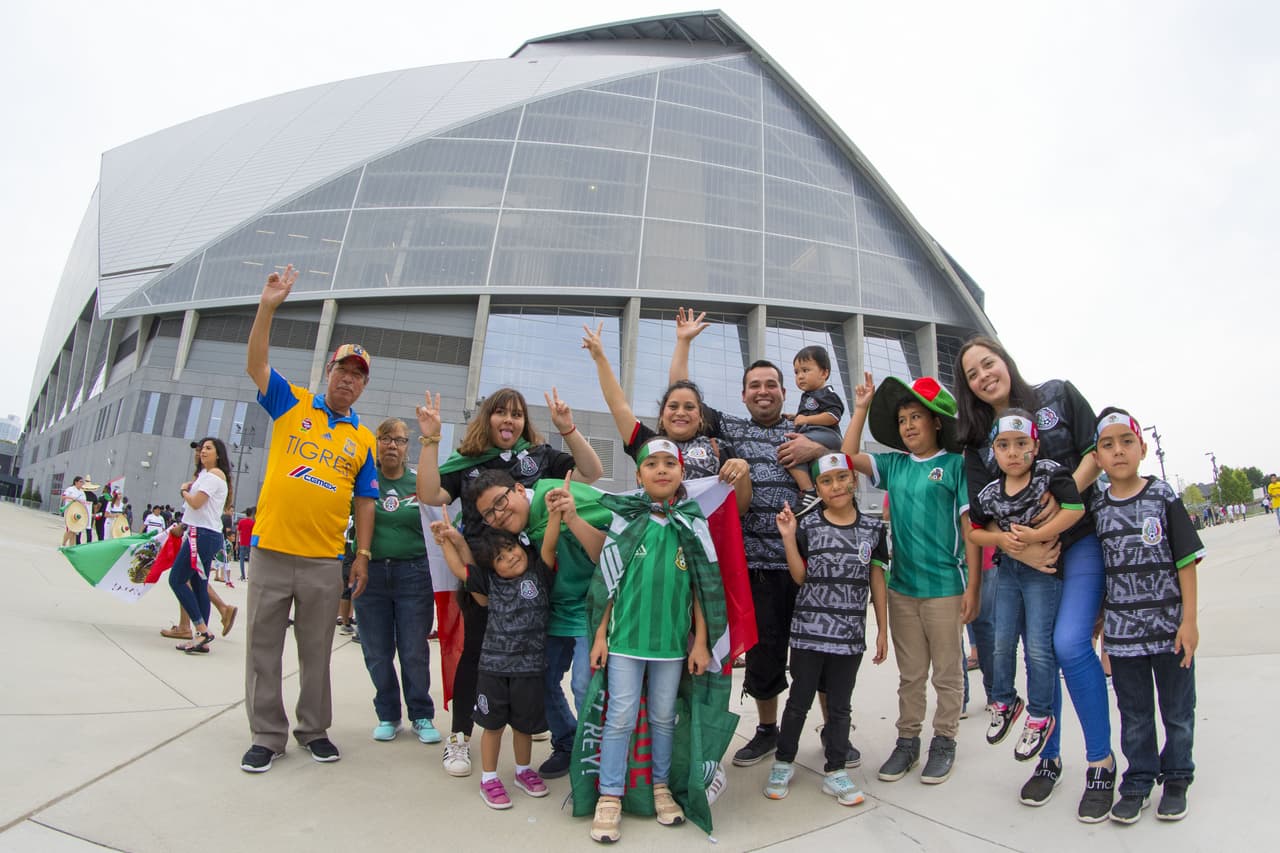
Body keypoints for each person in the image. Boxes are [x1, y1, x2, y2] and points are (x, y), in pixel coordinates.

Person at [668, 308, 839, 769]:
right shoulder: (730, 428)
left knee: (816, 651)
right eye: (755, 385)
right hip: (756, 566)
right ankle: (767, 730)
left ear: (785, 392)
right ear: (744, 395)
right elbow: (679, 398)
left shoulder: (806, 428)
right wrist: (684, 342)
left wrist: (818, 448)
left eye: (771, 384)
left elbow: (847, 456)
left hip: (808, 560)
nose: (763, 391)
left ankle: (833, 732)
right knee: (764, 655)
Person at [955, 336, 1115, 819]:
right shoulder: (976, 445)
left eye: (989, 364)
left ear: (1005, 360)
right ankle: (1048, 759)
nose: (985, 376)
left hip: (1078, 538)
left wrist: (1058, 502)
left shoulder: (1057, 395)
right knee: (1032, 649)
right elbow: (982, 521)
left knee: (1068, 645)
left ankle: (1101, 762)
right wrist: (1021, 549)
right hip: (1026, 556)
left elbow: (1096, 450)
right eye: (973, 374)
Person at [415, 386, 602, 777]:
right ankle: (460, 737)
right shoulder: (467, 461)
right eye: (500, 412)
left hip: (536, 580)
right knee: (478, 655)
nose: (508, 420)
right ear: (487, 417)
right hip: (486, 574)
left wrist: (568, 429)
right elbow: (431, 493)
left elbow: (590, 472)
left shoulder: (537, 457)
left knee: (536, 666)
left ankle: (545, 731)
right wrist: (431, 439)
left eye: (516, 414)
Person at [239, 263, 379, 774]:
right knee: (263, 651)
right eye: (344, 369)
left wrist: (361, 554)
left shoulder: (362, 439)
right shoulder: (291, 403)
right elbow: (257, 365)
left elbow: (365, 501)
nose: (349, 379)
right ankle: (267, 735)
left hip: (324, 561)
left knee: (316, 653)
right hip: (272, 550)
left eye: (358, 375)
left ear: (363, 387)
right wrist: (267, 308)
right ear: (329, 372)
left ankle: (314, 729)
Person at [840, 372, 979, 785]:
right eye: (902, 420)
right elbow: (847, 458)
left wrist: (973, 586)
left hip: (945, 587)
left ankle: (945, 740)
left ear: (936, 422)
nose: (909, 426)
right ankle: (907, 741)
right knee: (911, 674)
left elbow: (971, 530)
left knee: (948, 673)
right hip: (902, 587)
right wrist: (861, 407)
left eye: (917, 417)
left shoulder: (956, 466)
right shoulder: (893, 464)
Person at [583, 437, 714, 843]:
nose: (660, 470)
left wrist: (701, 642)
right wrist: (601, 635)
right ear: (638, 475)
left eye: (668, 464)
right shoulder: (625, 521)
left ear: (681, 473)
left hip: (672, 647)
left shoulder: (694, 523)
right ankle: (610, 795)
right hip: (624, 642)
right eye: (651, 464)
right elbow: (607, 583)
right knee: (620, 718)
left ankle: (661, 786)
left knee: (662, 717)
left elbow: (703, 590)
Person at [1090, 409, 1203, 823]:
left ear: (1143, 447)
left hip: (1169, 631)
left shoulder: (1162, 496)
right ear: (1097, 457)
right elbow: (1097, 571)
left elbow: (1186, 560)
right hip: (1122, 638)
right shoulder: (1096, 508)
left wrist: (1189, 622)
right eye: (1107, 444)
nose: (1118, 450)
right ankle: (1138, 780)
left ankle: (1176, 776)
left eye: (1126, 441)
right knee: (1135, 714)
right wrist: (1100, 629)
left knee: (1177, 709)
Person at [766, 453, 888, 806]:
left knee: (840, 706)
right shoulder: (808, 526)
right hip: (808, 633)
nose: (836, 486)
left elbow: (876, 578)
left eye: (842, 478)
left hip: (849, 637)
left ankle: (836, 770)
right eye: (826, 481)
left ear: (853, 480)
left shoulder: (872, 529)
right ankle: (783, 761)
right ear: (817, 487)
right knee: (799, 702)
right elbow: (800, 576)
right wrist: (788, 537)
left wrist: (881, 628)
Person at [965, 410, 1086, 764]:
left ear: (1035, 445)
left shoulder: (1049, 474)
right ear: (994, 451)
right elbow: (973, 531)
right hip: (1008, 573)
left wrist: (1038, 535)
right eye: (1004, 445)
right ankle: (1003, 699)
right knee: (1001, 641)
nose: (1013, 452)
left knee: (1037, 647)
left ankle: (1039, 714)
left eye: (1021, 444)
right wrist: (1001, 539)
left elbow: (1075, 507)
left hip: (1043, 574)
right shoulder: (989, 492)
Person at [431, 520, 562, 810]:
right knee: (492, 727)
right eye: (500, 558)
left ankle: (523, 771)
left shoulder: (540, 573)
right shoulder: (489, 583)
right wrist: (445, 543)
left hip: (530, 669)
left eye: (512, 549)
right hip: (493, 669)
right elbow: (459, 570)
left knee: (524, 727)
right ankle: (488, 779)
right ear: (493, 568)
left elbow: (551, 544)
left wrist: (555, 515)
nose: (510, 557)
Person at [355, 417, 441, 746]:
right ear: (376, 443)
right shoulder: (363, 482)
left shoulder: (419, 484)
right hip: (371, 574)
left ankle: (421, 713)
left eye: (400, 440)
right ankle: (388, 714)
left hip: (413, 575)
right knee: (377, 651)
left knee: (413, 650)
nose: (392, 445)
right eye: (386, 438)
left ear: (408, 447)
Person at [169, 438, 233, 654]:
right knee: (198, 584)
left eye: (208, 448)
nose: (203, 451)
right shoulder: (206, 475)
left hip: (201, 535)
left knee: (177, 579)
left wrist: (184, 491)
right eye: (201, 448)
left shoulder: (214, 475)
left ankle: (202, 630)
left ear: (218, 454)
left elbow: (196, 503)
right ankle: (201, 639)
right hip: (205, 533)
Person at [785, 345, 846, 509]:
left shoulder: (827, 393)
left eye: (805, 370)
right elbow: (811, 414)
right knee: (792, 455)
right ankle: (810, 489)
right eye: (797, 372)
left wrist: (806, 419)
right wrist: (795, 417)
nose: (800, 376)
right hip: (816, 433)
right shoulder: (808, 396)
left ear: (824, 373)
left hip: (828, 436)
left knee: (790, 451)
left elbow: (833, 417)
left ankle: (808, 491)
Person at [60, 475, 88, 547]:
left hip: (78, 512)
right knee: (70, 529)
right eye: (80, 482)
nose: (82, 483)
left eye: (82, 482)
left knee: (75, 530)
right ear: (76, 482)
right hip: (70, 511)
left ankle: (71, 546)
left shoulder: (82, 492)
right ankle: (63, 544)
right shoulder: (70, 489)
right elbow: (63, 497)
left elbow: (84, 502)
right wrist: (72, 498)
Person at [236, 508, 254, 580]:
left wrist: (237, 543)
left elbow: (238, 533)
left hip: (242, 542)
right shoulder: (253, 523)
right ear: (251, 514)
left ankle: (242, 575)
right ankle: (250, 576)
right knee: (250, 561)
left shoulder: (241, 522)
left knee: (242, 559)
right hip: (250, 543)